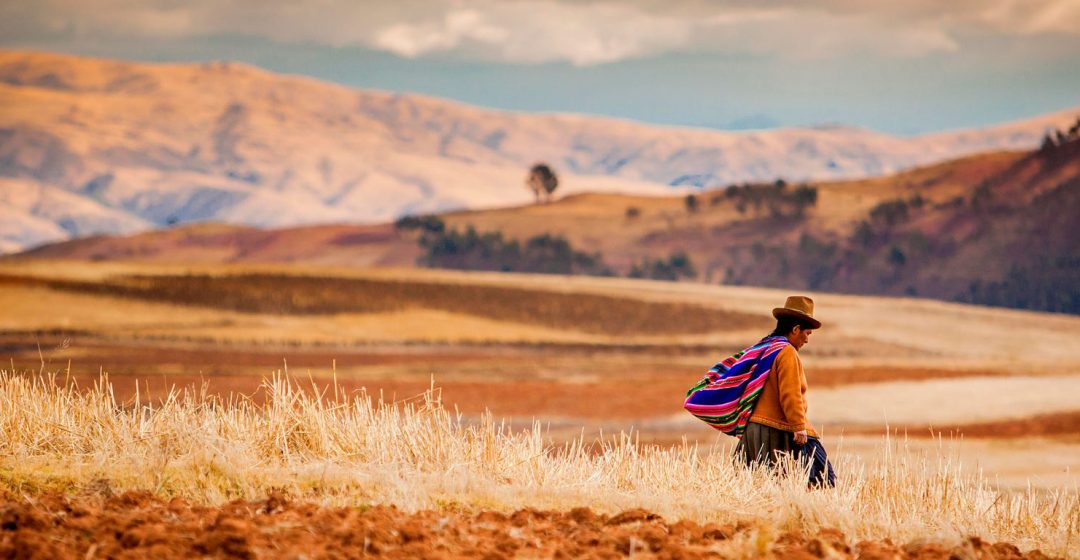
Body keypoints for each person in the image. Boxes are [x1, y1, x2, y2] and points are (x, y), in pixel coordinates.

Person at [736, 295, 835, 487]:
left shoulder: (766, 347)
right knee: (820, 479)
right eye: (806, 333)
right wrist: (798, 426)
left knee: (758, 487)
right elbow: (790, 394)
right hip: (775, 429)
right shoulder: (787, 352)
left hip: (754, 429)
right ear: (795, 329)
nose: (806, 340)